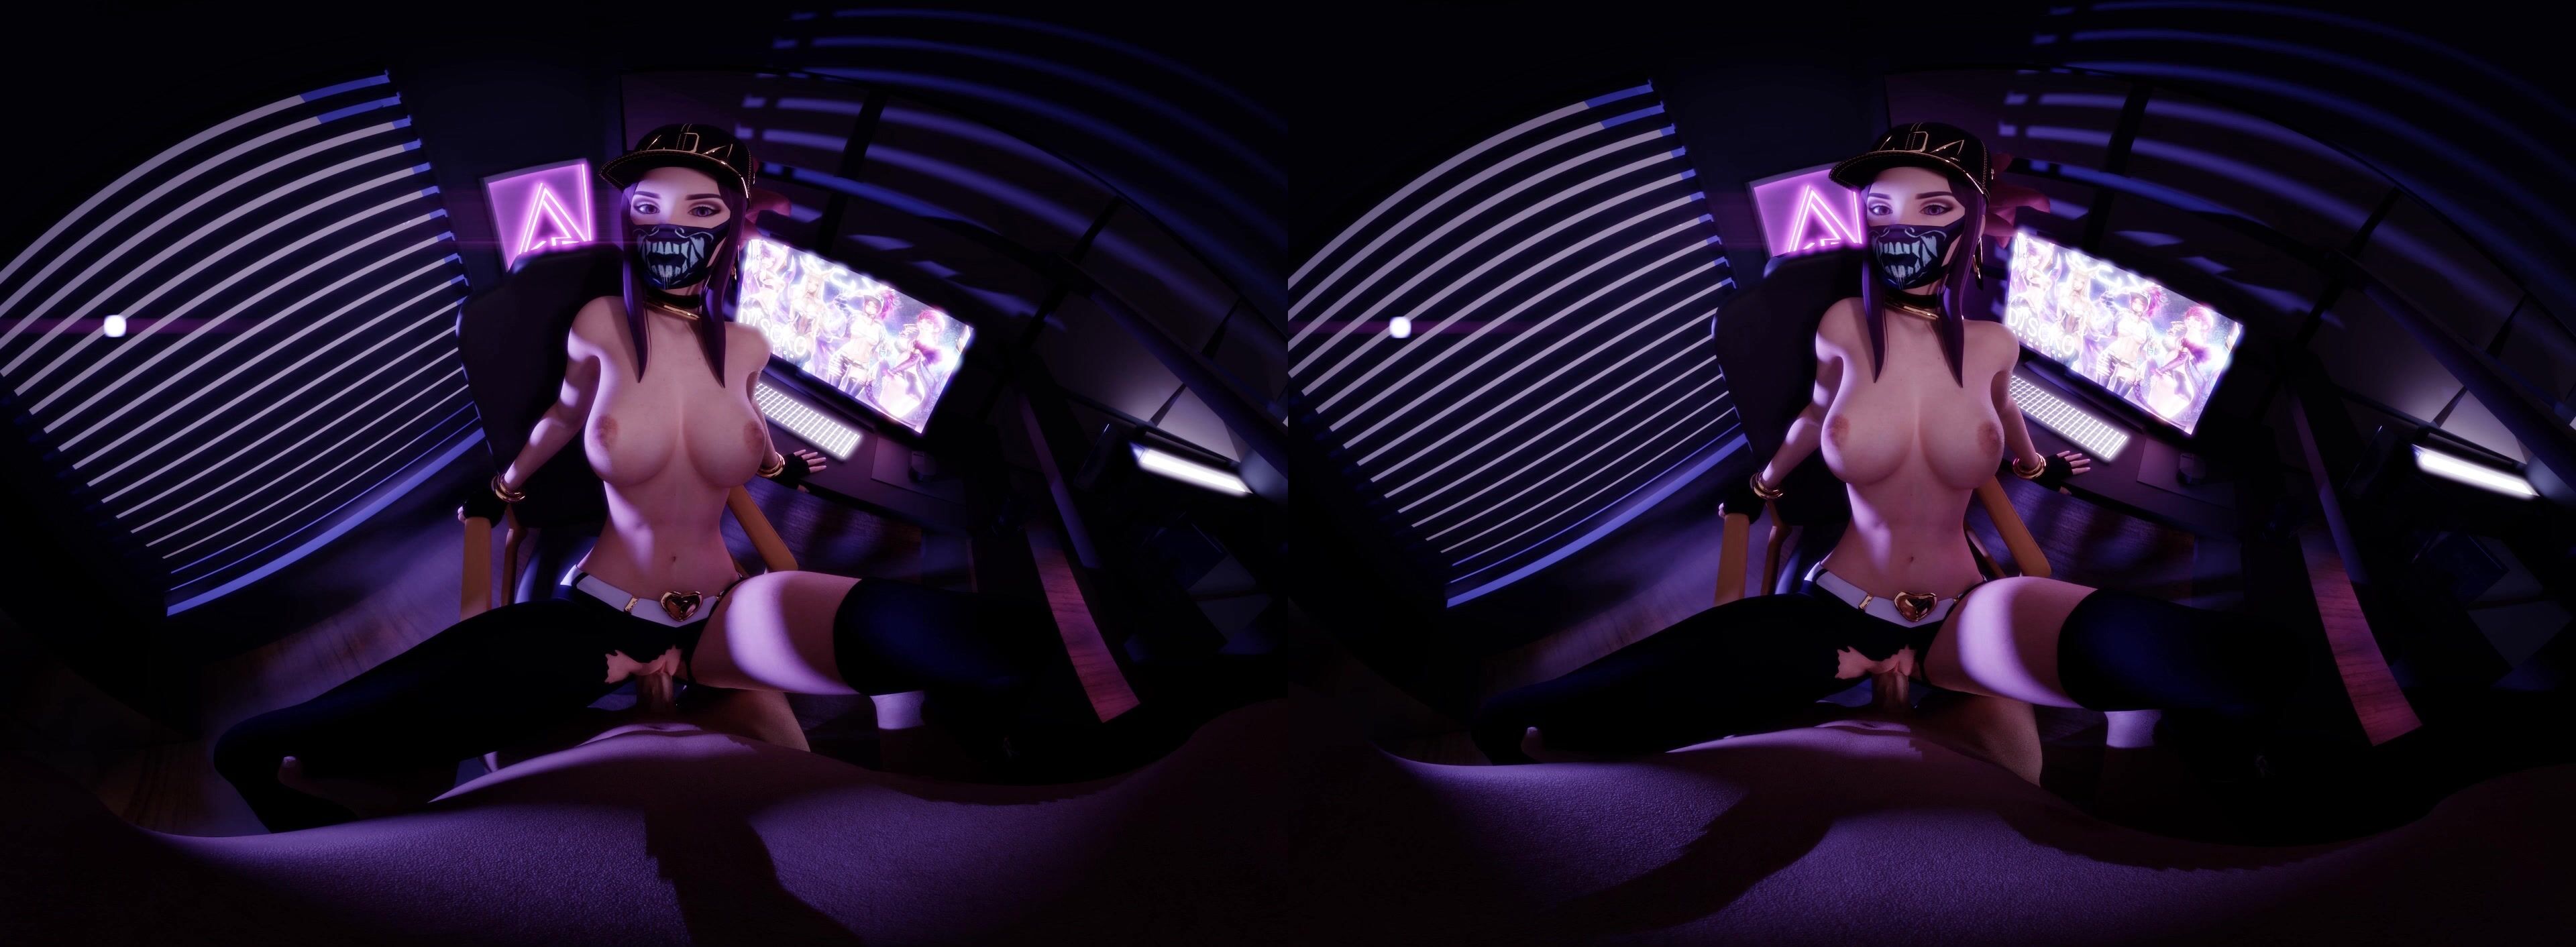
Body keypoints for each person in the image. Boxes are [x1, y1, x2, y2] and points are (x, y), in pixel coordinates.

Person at [213, 125, 1075, 832]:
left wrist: (780, 463)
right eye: (649, 207)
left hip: (729, 615)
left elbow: (741, 433)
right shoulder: (600, 324)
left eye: (701, 209)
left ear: (732, 228)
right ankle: (292, 778)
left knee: (978, 644)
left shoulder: (749, 346)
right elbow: (561, 416)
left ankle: (952, 794)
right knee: (361, 725)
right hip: (605, 617)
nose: (671, 228)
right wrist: (505, 487)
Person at [1473, 122, 2307, 767]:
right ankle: (1524, 740)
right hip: (1841, 608)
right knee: (1646, 688)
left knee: (2209, 662)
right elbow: (1813, 414)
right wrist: (1765, 482)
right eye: (1881, 210)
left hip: (1966, 610)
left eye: (1933, 208)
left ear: (1970, 223)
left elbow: (2010, 430)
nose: (1901, 229)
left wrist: (2042, 465)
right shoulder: (1842, 324)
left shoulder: (1996, 347)